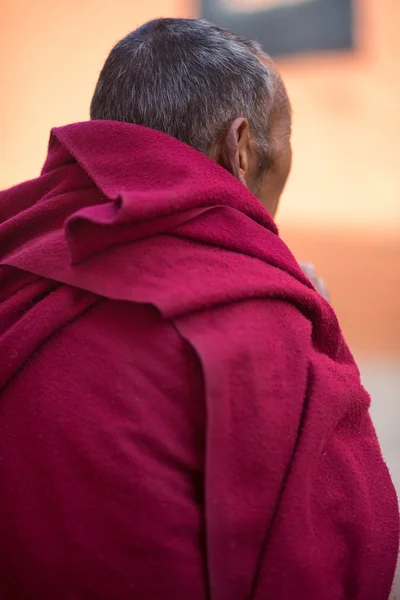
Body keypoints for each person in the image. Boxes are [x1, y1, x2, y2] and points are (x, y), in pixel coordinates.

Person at [0, 18, 398, 600]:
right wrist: (304, 324)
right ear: (240, 148)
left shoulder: (17, 262)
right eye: (287, 140)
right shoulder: (263, 319)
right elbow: (340, 563)